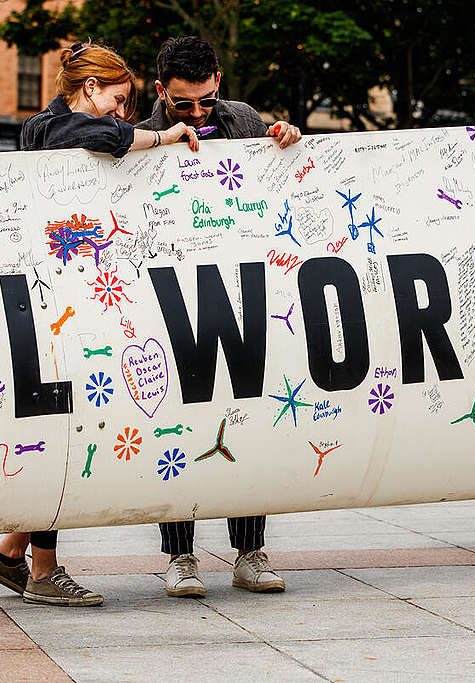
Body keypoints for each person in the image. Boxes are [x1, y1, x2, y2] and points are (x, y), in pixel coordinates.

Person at [0, 40, 199, 607]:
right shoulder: (56, 129)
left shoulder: (43, 125)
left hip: (56, 301)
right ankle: (43, 573)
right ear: (89, 89)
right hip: (53, 310)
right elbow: (103, 137)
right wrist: (164, 137)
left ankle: (9, 555)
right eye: (116, 98)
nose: (122, 111)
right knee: (59, 442)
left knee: (60, 439)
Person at [136, 35, 301, 599]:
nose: (200, 113)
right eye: (185, 103)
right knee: (179, 422)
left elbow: (277, 182)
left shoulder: (243, 120)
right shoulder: (138, 128)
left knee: (248, 417)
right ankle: (180, 555)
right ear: (161, 92)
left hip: (241, 289)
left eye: (208, 99)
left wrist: (287, 138)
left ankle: (250, 551)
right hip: (171, 293)